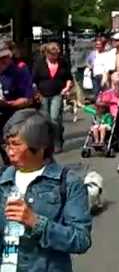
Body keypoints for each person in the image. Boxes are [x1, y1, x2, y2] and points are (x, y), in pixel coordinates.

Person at [0, 109, 91, 271]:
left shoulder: (69, 183)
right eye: (7, 145)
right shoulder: (3, 181)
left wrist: (36, 223)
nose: (9, 151)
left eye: (16, 144)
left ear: (40, 146)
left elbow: (81, 239)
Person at [32, 42, 73, 154]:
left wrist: (67, 87)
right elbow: (33, 81)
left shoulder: (62, 62)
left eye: (57, 55)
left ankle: (57, 142)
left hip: (57, 93)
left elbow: (68, 77)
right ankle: (47, 143)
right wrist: (36, 93)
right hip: (42, 94)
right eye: (53, 55)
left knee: (54, 118)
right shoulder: (39, 63)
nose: (55, 57)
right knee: (45, 120)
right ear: (47, 54)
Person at [0, 42, 33, 165]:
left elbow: (28, 99)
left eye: (4, 58)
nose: (2, 62)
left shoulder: (20, 72)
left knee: (13, 160)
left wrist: (7, 104)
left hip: (12, 121)